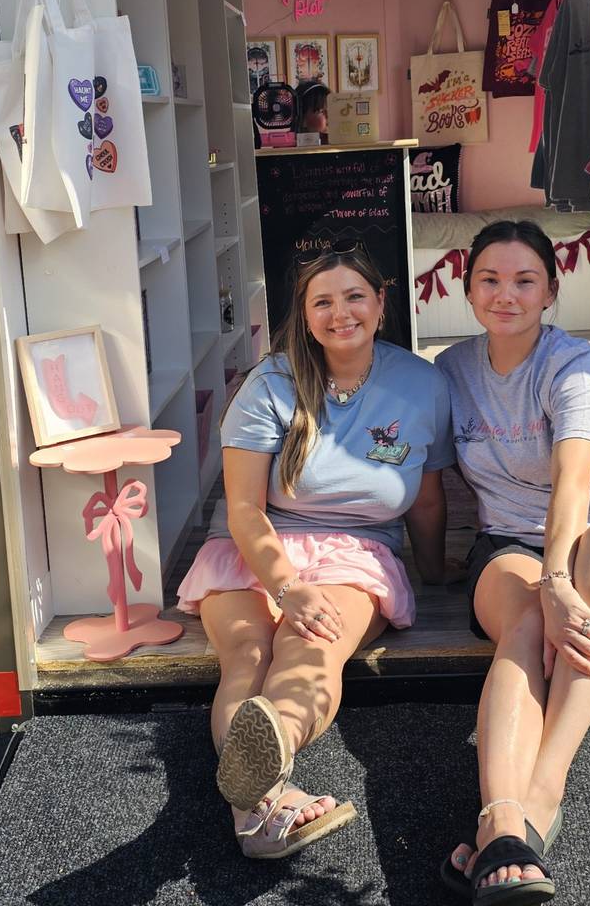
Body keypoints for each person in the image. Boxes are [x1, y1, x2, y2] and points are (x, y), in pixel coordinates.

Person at [175, 242, 452, 858]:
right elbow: (245, 509)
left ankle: (257, 800)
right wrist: (286, 587)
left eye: (355, 296)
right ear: (303, 315)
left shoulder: (422, 383)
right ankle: (266, 800)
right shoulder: (269, 383)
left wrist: (434, 571)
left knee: (311, 648)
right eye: (321, 301)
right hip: (256, 549)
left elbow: (428, 499)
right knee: (246, 655)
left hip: (356, 554)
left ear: (382, 303)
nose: (339, 312)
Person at [435, 220, 590, 904]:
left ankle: (536, 799)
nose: (504, 295)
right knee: (528, 622)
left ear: (550, 292)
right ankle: (506, 823)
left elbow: (574, 485)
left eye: (523, 281)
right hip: (507, 544)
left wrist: (561, 580)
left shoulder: (576, 363)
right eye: (489, 279)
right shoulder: (451, 370)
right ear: (466, 286)